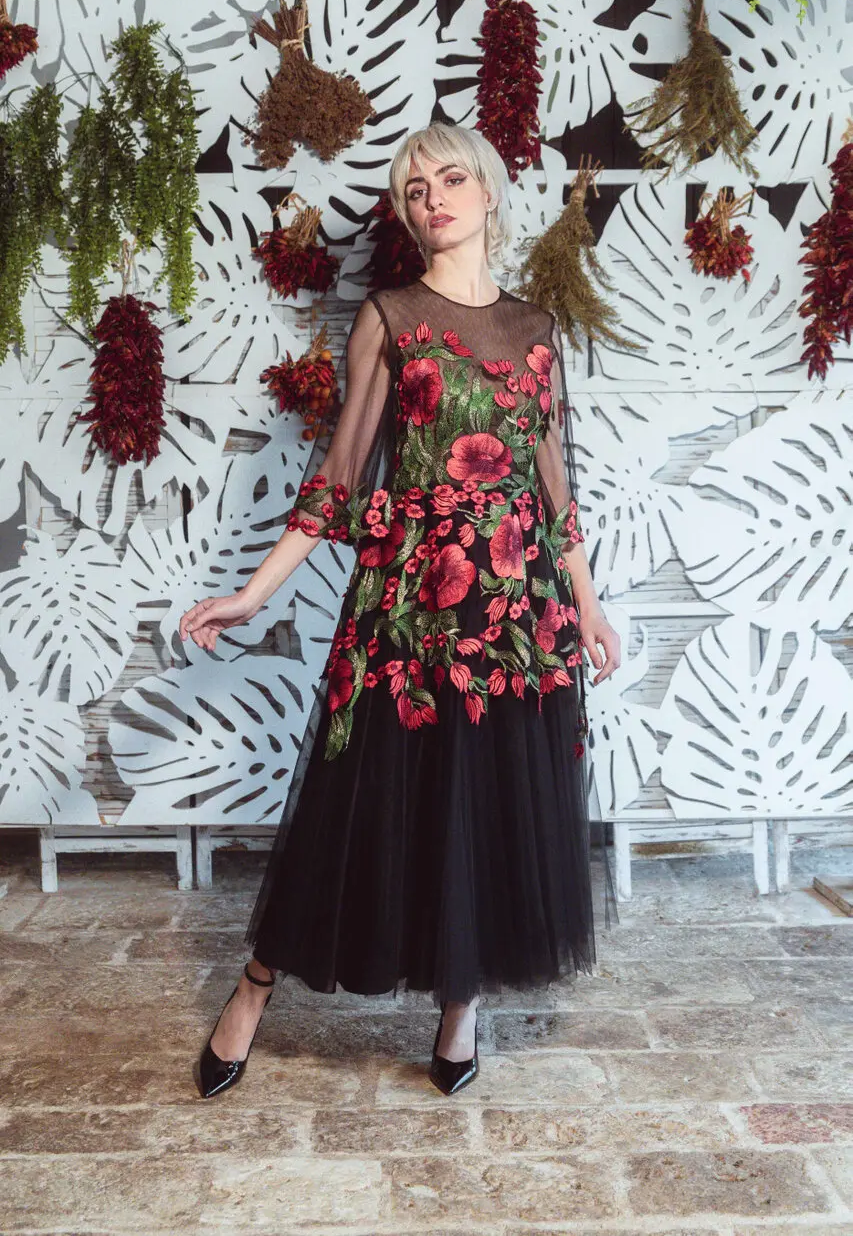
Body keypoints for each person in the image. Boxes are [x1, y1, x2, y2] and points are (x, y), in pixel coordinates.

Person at [180, 121, 621, 1099]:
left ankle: (461, 1009)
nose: (433, 200)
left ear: (489, 192)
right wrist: (251, 594)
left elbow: (554, 489)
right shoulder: (390, 316)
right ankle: (253, 989)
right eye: (414, 190)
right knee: (356, 805)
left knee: (489, 813)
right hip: (411, 612)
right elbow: (339, 481)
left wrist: (587, 607)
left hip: (516, 619)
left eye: (449, 180)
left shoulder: (537, 328)